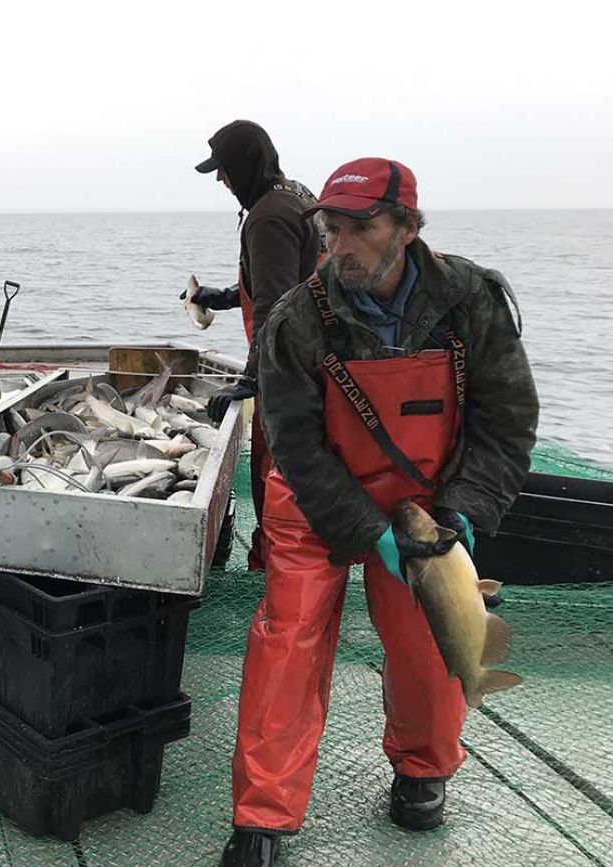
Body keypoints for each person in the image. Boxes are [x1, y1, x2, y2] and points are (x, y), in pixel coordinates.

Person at [221, 157, 538, 866]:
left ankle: (423, 770)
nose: (342, 245)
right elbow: (296, 444)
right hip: (315, 498)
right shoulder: (297, 316)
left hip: (424, 501)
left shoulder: (472, 302)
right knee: (288, 637)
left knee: (429, 638)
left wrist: (463, 513)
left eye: (362, 227)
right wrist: (366, 531)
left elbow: (506, 423)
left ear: (408, 227)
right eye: (333, 227)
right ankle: (263, 816)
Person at [185, 120, 322, 571]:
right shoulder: (294, 195)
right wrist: (221, 298)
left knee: (276, 480)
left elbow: (276, 304)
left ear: (245, 165)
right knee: (296, 482)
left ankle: (273, 569)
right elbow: (288, 279)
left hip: (289, 372)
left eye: (223, 170)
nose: (222, 180)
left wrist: (249, 379)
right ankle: (285, 560)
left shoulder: (268, 216)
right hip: (311, 361)